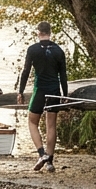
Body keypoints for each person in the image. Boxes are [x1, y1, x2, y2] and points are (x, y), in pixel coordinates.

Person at [16, 21, 68, 172]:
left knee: (32, 122)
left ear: (38, 33)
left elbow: (25, 71)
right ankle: (50, 161)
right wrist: (64, 94)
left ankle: (41, 153)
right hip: (54, 90)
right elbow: (63, 75)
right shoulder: (58, 51)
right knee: (51, 125)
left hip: (39, 90)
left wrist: (20, 90)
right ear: (50, 32)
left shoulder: (33, 50)